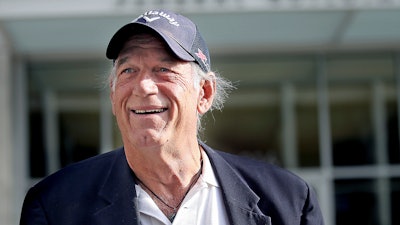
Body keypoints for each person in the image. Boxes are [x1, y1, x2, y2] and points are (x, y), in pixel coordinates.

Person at [20, 9, 324, 225]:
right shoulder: (55, 206)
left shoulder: (288, 201)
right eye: (128, 71)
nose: (143, 87)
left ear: (204, 93)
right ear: (113, 96)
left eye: (163, 69)